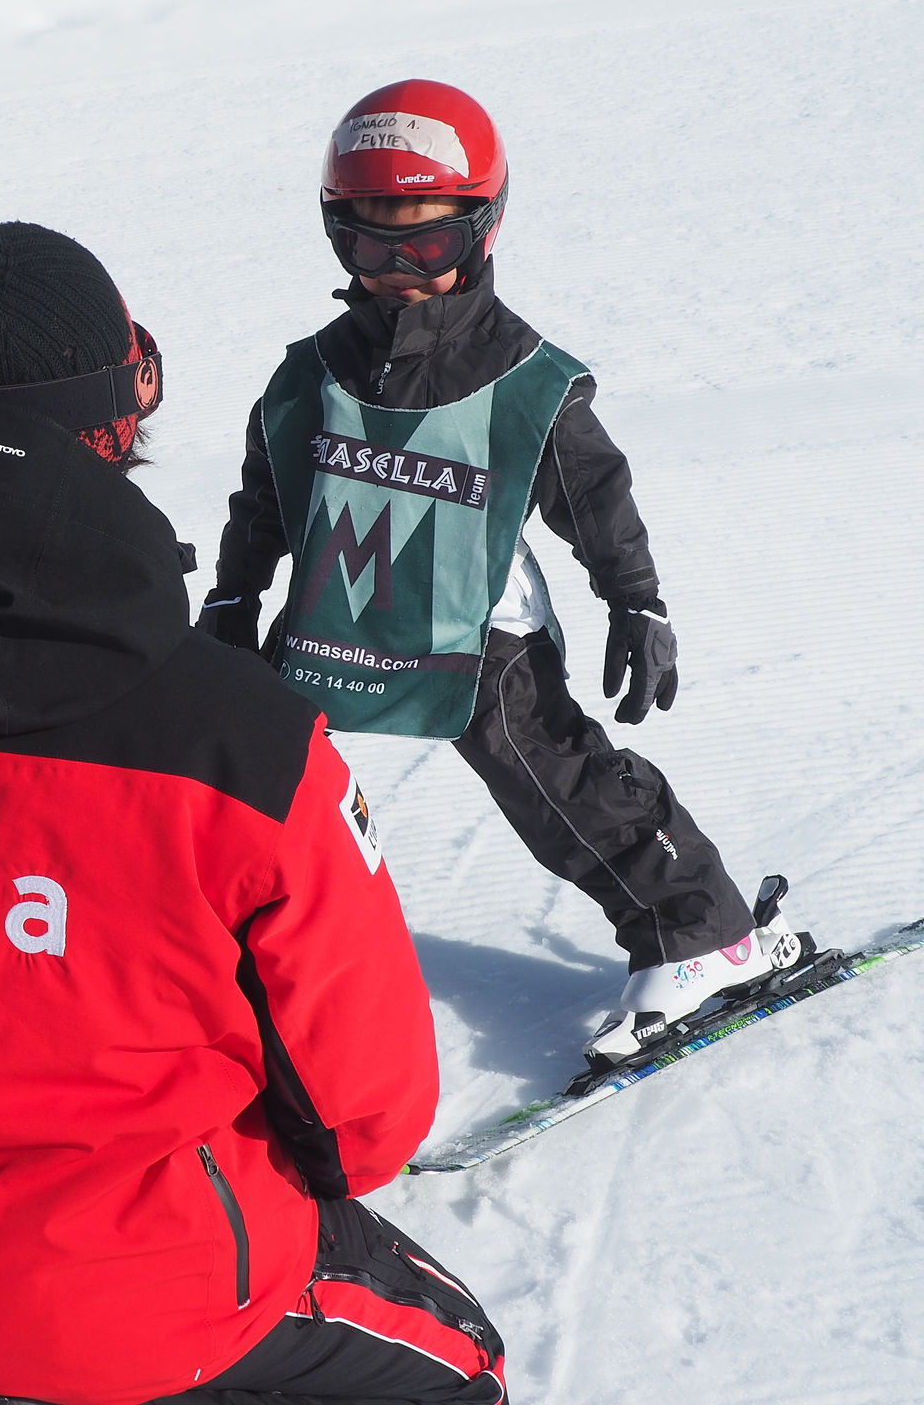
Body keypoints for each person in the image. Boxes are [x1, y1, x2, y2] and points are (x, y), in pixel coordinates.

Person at [0, 220, 507, 1405]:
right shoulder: (242, 741)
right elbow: (360, 1118)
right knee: (463, 1364)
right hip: (160, 1300)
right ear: (119, 411)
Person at [197, 78, 804, 1067]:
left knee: (551, 780)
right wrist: (233, 594)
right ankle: (221, 941)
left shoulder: (523, 378)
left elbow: (593, 494)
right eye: (367, 245)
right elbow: (266, 492)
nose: (397, 271)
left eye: (426, 242)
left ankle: (700, 929)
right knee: (254, 766)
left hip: (474, 627)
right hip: (333, 619)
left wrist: (635, 601)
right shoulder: (309, 372)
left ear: (481, 228)